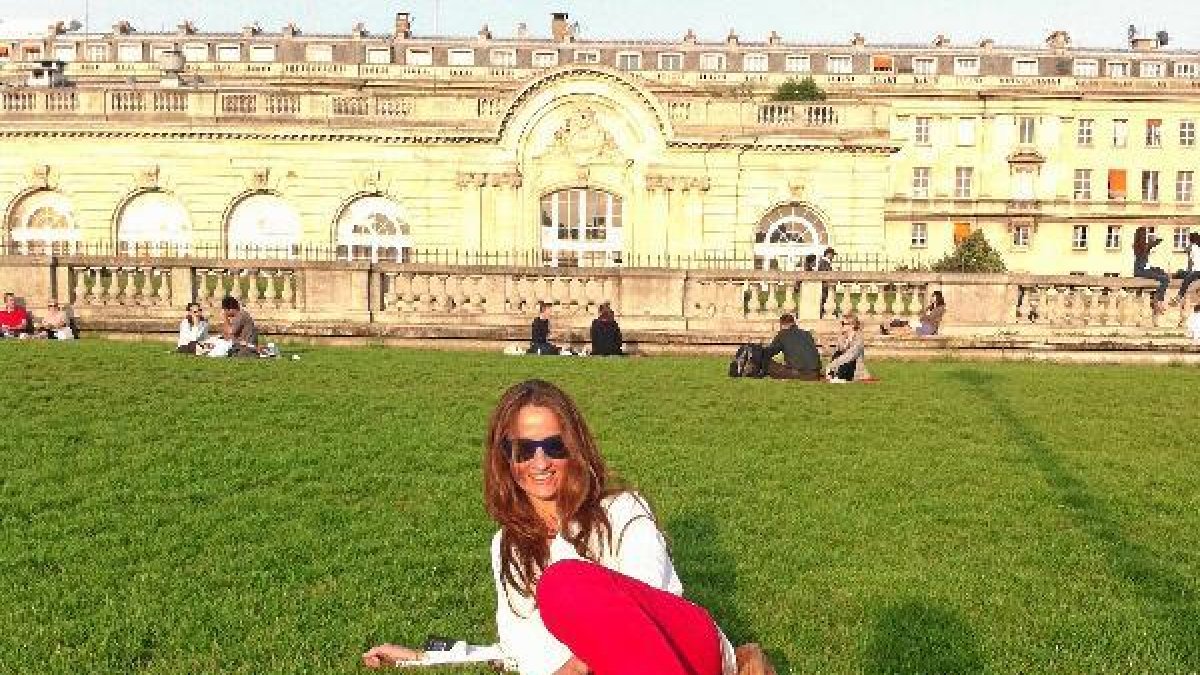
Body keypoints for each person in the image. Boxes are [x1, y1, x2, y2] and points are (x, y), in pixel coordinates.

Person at [362, 379, 773, 675]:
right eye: (524, 449)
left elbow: (644, 608)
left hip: (687, 649)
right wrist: (425, 657)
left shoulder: (621, 510)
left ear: (574, 449)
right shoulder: (506, 545)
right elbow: (519, 646)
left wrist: (579, 664)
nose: (540, 463)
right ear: (505, 458)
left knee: (564, 584)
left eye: (554, 446)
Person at [763, 313, 822, 380]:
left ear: (782, 324)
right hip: (815, 374)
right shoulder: (807, 333)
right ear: (794, 322)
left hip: (797, 374)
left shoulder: (783, 334)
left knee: (767, 363)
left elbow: (769, 352)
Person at [825, 313, 873, 382]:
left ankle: (838, 376)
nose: (842, 326)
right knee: (837, 353)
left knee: (847, 358)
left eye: (844, 324)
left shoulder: (858, 338)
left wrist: (832, 365)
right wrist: (826, 346)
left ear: (852, 325)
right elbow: (836, 353)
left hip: (853, 368)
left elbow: (851, 355)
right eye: (842, 323)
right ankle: (834, 375)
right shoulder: (842, 337)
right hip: (842, 364)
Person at [1132, 226, 1170, 315]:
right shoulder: (1141, 246)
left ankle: (1156, 297)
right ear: (1142, 235)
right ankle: (1159, 302)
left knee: (1161, 271)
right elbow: (1154, 243)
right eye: (1145, 234)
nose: (1146, 235)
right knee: (1164, 279)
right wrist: (1154, 239)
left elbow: (1153, 244)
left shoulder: (1142, 245)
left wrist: (1153, 240)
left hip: (1144, 268)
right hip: (1140, 270)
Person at [880, 290, 947, 337]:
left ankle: (890, 329)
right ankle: (889, 330)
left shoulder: (940, 308)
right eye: (932, 296)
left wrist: (926, 316)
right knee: (907, 327)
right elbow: (923, 317)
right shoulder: (930, 307)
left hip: (930, 327)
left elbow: (931, 318)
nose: (932, 298)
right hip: (923, 324)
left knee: (908, 329)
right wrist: (926, 316)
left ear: (938, 298)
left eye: (934, 297)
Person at [1171, 231, 1200, 307]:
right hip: (1196, 271)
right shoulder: (1196, 246)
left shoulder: (1193, 247)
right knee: (1182, 273)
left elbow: (1190, 261)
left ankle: (1178, 298)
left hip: (1196, 271)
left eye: (1189, 239)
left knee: (1186, 279)